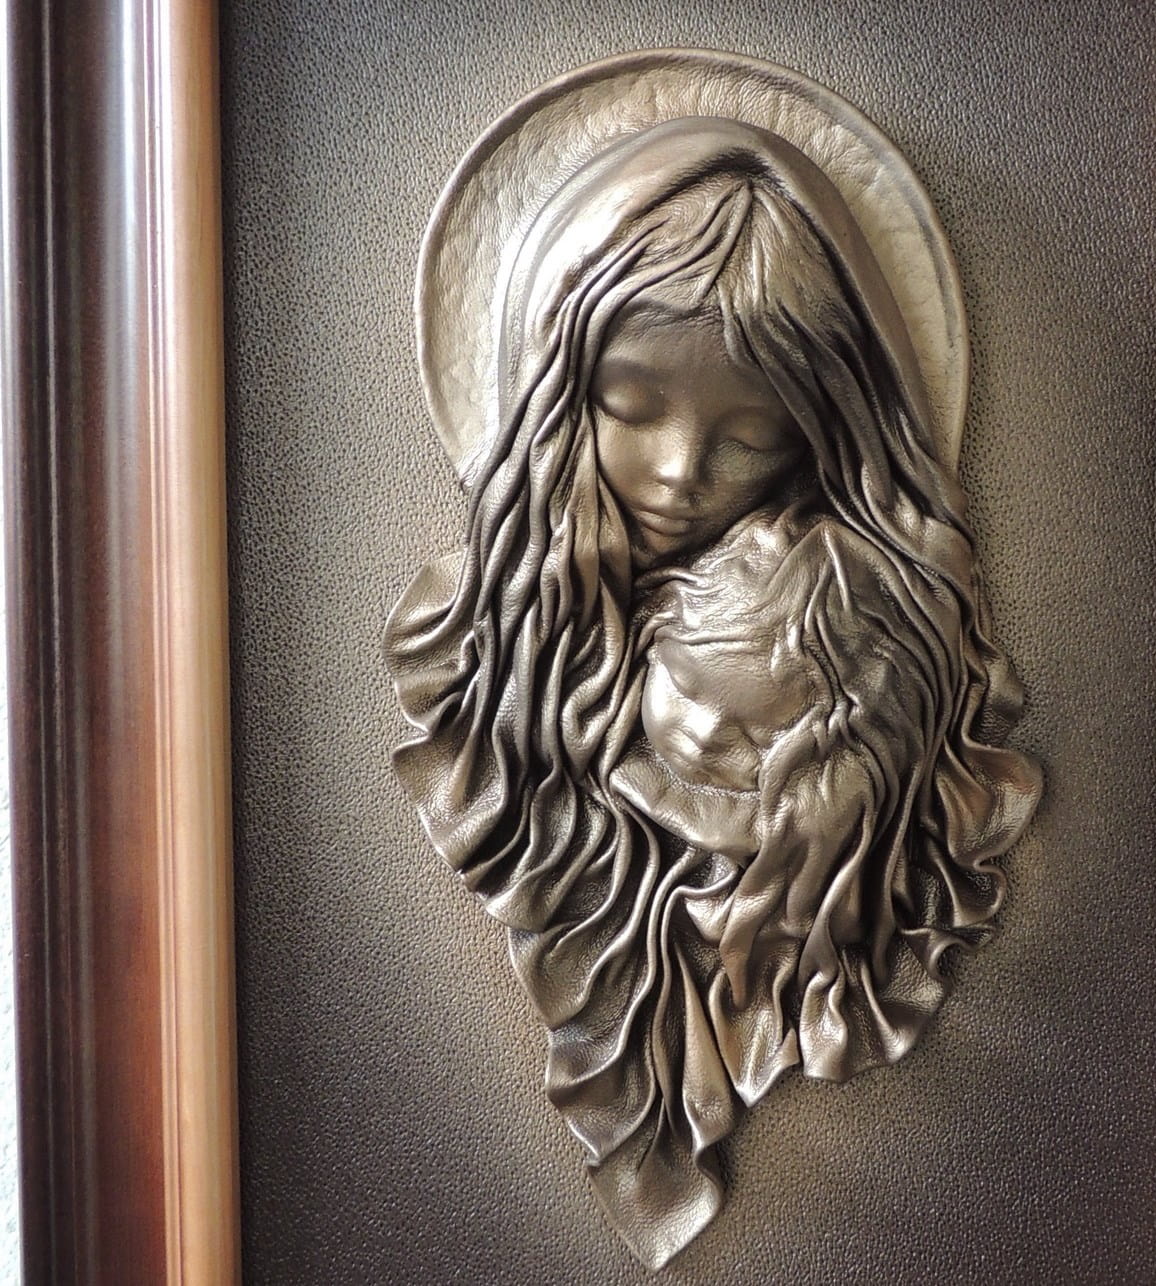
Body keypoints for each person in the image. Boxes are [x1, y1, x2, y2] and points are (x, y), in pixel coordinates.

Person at [385, 115, 1041, 1269]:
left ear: (826, 435)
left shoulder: (863, 632)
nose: (681, 473)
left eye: (749, 435)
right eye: (632, 407)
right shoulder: (483, 644)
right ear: (550, 390)